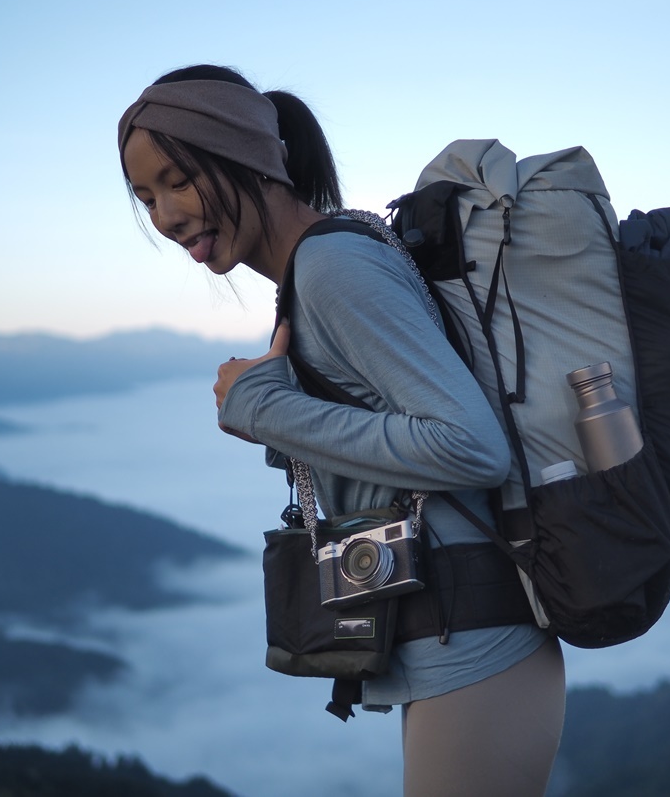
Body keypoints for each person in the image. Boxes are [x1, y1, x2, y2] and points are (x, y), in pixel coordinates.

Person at [117, 64, 566, 796]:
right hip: (450, 640)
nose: (165, 215)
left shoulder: (331, 267)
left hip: (475, 644)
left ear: (249, 155)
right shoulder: (327, 258)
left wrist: (266, 408)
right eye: (145, 196)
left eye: (178, 179)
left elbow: (471, 445)